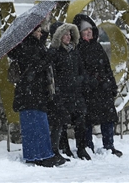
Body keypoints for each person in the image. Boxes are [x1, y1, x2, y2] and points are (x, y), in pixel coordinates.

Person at [7, 22, 65, 167]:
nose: (40, 33)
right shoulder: (27, 48)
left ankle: (37, 155)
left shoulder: (33, 46)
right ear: (31, 33)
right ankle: (40, 156)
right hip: (30, 93)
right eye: (38, 31)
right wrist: (51, 53)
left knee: (37, 125)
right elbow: (38, 65)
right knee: (36, 126)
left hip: (33, 93)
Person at [73, 13, 123, 157]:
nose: (88, 32)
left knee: (107, 119)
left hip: (104, 90)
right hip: (89, 92)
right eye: (84, 30)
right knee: (87, 121)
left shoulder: (98, 47)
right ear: (79, 32)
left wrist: (111, 85)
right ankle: (88, 146)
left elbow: (107, 68)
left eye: (90, 29)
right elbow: (79, 71)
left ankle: (109, 145)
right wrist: (89, 82)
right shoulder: (78, 49)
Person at [47, 21, 90, 161]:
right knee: (62, 122)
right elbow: (53, 75)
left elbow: (82, 69)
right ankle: (65, 149)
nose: (68, 37)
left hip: (76, 93)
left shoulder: (74, 51)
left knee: (80, 121)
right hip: (62, 94)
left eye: (69, 34)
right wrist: (60, 88)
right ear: (58, 36)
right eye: (65, 34)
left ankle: (81, 148)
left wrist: (81, 80)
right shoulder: (54, 53)